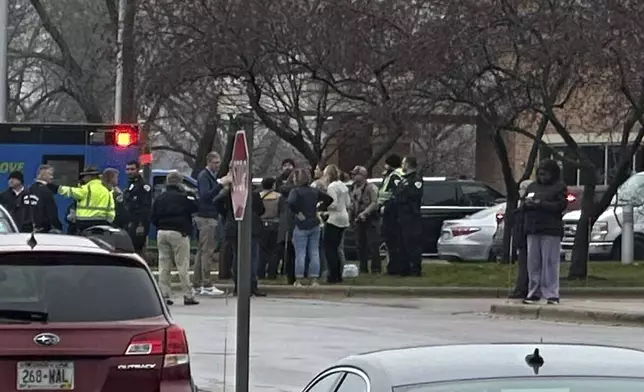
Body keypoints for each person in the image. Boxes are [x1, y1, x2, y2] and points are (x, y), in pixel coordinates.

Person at [522, 159, 567, 305]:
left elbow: (560, 205)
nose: (542, 177)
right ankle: (534, 292)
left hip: (551, 229)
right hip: (533, 228)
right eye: (540, 174)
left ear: (552, 174)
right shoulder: (532, 186)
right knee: (533, 263)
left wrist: (541, 204)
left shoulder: (559, 187)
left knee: (550, 262)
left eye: (545, 174)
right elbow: (523, 203)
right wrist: (527, 204)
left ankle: (552, 293)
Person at [151, 171, 199, 306]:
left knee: (164, 265)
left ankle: (165, 295)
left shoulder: (160, 198)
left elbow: (153, 217)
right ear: (180, 183)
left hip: (162, 232)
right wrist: (190, 193)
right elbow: (196, 207)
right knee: (182, 264)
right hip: (179, 232)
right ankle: (188, 295)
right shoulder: (184, 197)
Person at [214, 178, 266, 296]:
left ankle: (238, 285)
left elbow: (216, 201)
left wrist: (226, 214)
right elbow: (261, 210)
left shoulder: (230, 193)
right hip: (251, 227)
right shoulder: (253, 194)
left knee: (237, 257)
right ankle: (252, 285)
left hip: (233, 226)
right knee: (252, 257)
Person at [287, 168, 333, 286]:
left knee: (300, 253)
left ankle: (299, 279)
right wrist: (319, 208)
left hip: (301, 224)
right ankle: (314, 279)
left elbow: (291, 202)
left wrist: (297, 213)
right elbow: (329, 199)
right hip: (314, 223)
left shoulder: (295, 191)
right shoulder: (314, 191)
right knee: (314, 252)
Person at [194, 152, 230, 296]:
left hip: (208, 216)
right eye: (215, 162)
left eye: (218, 162)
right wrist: (220, 184)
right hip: (206, 217)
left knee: (201, 252)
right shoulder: (204, 176)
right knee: (207, 252)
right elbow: (205, 196)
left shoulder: (210, 177)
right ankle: (206, 284)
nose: (217, 165)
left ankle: (197, 283)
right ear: (208, 162)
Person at [49, 166, 116, 232]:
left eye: (84, 176)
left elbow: (70, 191)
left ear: (90, 177)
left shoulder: (87, 188)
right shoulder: (107, 190)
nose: (83, 179)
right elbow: (111, 209)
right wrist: (108, 222)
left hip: (85, 223)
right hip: (103, 224)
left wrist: (56, 188)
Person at [393, 156, 424, 276]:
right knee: (402, 243)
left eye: (403, 163)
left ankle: (415, 269)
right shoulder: (403, 179)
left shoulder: (416, 179)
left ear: (408, 164)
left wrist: (402, 198)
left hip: (411, 216)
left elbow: (413, 195)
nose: (402, 165)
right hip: (402, 216)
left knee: (412, 243)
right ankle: (404, 269)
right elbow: (397, 194)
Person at [321, 165, 351, 284]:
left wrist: (323, 208)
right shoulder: (342, 185)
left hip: (334, 218)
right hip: (344, 217)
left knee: (330, 249)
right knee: (337, 248)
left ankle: (332, 275)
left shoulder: (332, 187)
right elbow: (348, 203)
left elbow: (332, 203)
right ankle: (339, 274)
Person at [350, 165, 381, 274]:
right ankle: (363, 268)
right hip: (358, 219)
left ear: (362, 176)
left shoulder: (370, 187)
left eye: (355, 174)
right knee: (360, 245)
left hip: (370, 219)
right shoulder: (353, 187)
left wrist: (365, 213)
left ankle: (375, 268)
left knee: (373, 244)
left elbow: (374, 203)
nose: (353, 176)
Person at [378, 154, 404, 275]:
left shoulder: (395, 176)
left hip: (391, 213)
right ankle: (394, 266)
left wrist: (385, 206)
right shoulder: (394, 175)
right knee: (393, 242)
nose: (385, 166)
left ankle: (393, 268)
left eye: (386, 163)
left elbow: (394, 194)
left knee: (392, 242)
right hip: (393, 212)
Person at [508, 179, 533, 299]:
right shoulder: (521, 204)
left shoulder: (527, 205)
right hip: (521, 238)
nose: (520, 192)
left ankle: (522, 289)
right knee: (522, 265)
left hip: (525, 238)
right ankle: (521, 288)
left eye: (522, 189)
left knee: (525, 266)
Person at [17, 165, 61, 233]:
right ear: (42, 175)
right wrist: (58, 227)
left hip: (25, 230)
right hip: (42, 230)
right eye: (50, 174)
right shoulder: (46, 191)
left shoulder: (26, 190)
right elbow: (52, 212)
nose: (52, 177)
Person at [124, 160, 152, 254]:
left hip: (138, 224)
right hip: (129, 223)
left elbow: (146, 207)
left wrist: (141, 225)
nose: (130, 172)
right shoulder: (130, 185)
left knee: (136, 249)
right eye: (128, 169)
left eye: (132, 169)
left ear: (138, 169)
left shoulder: (144, 186)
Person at [258, 177, 281, 279]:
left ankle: (260, 271)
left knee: (262, 250)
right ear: (273, 185)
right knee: (274, 250)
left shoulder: (259, 196)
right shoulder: (278, 197)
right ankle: (272, 272)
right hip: (275, 223)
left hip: (262, 224)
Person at [276, 171, 296, 284]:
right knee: (296, 252)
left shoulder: (282, 195)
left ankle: (288, 275)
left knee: (287, 253)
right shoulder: (298, 192)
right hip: (295, 224)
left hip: (284, 225)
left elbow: (279, 210)